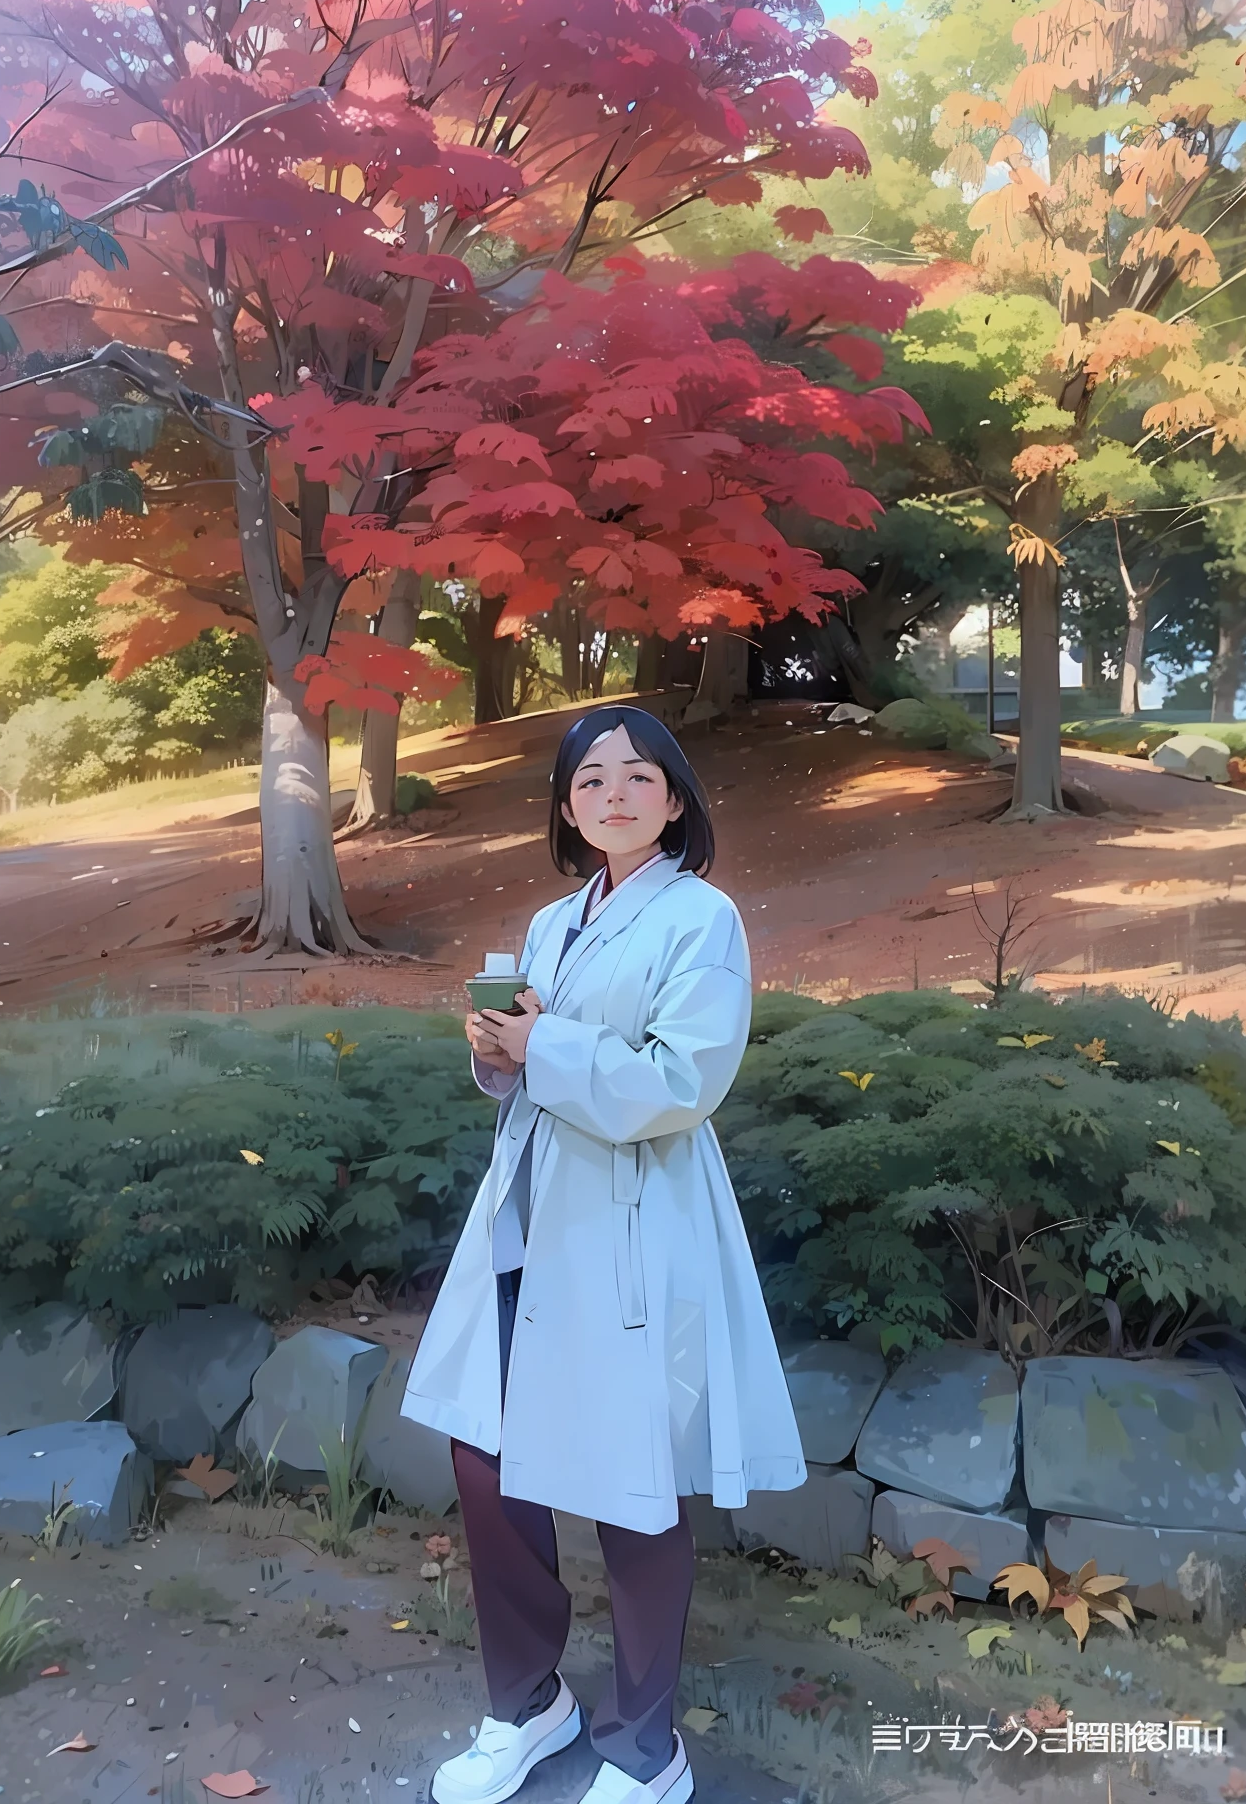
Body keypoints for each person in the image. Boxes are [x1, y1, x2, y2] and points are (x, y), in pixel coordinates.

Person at [401, 707, 806, 1804]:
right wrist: (497, 1049)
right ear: (567, 804)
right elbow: (527, 1071)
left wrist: (545, 1044)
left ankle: (646, 1746)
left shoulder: (701, 918)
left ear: (675, 798)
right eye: (590, 778)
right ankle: (529, 1703)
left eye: (638, 776)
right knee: (484, 1458)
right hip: (530, 1217)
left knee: (633, 1481)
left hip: (633, 1220)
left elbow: (683, 1079)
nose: (613, 793)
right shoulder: (549, 920)